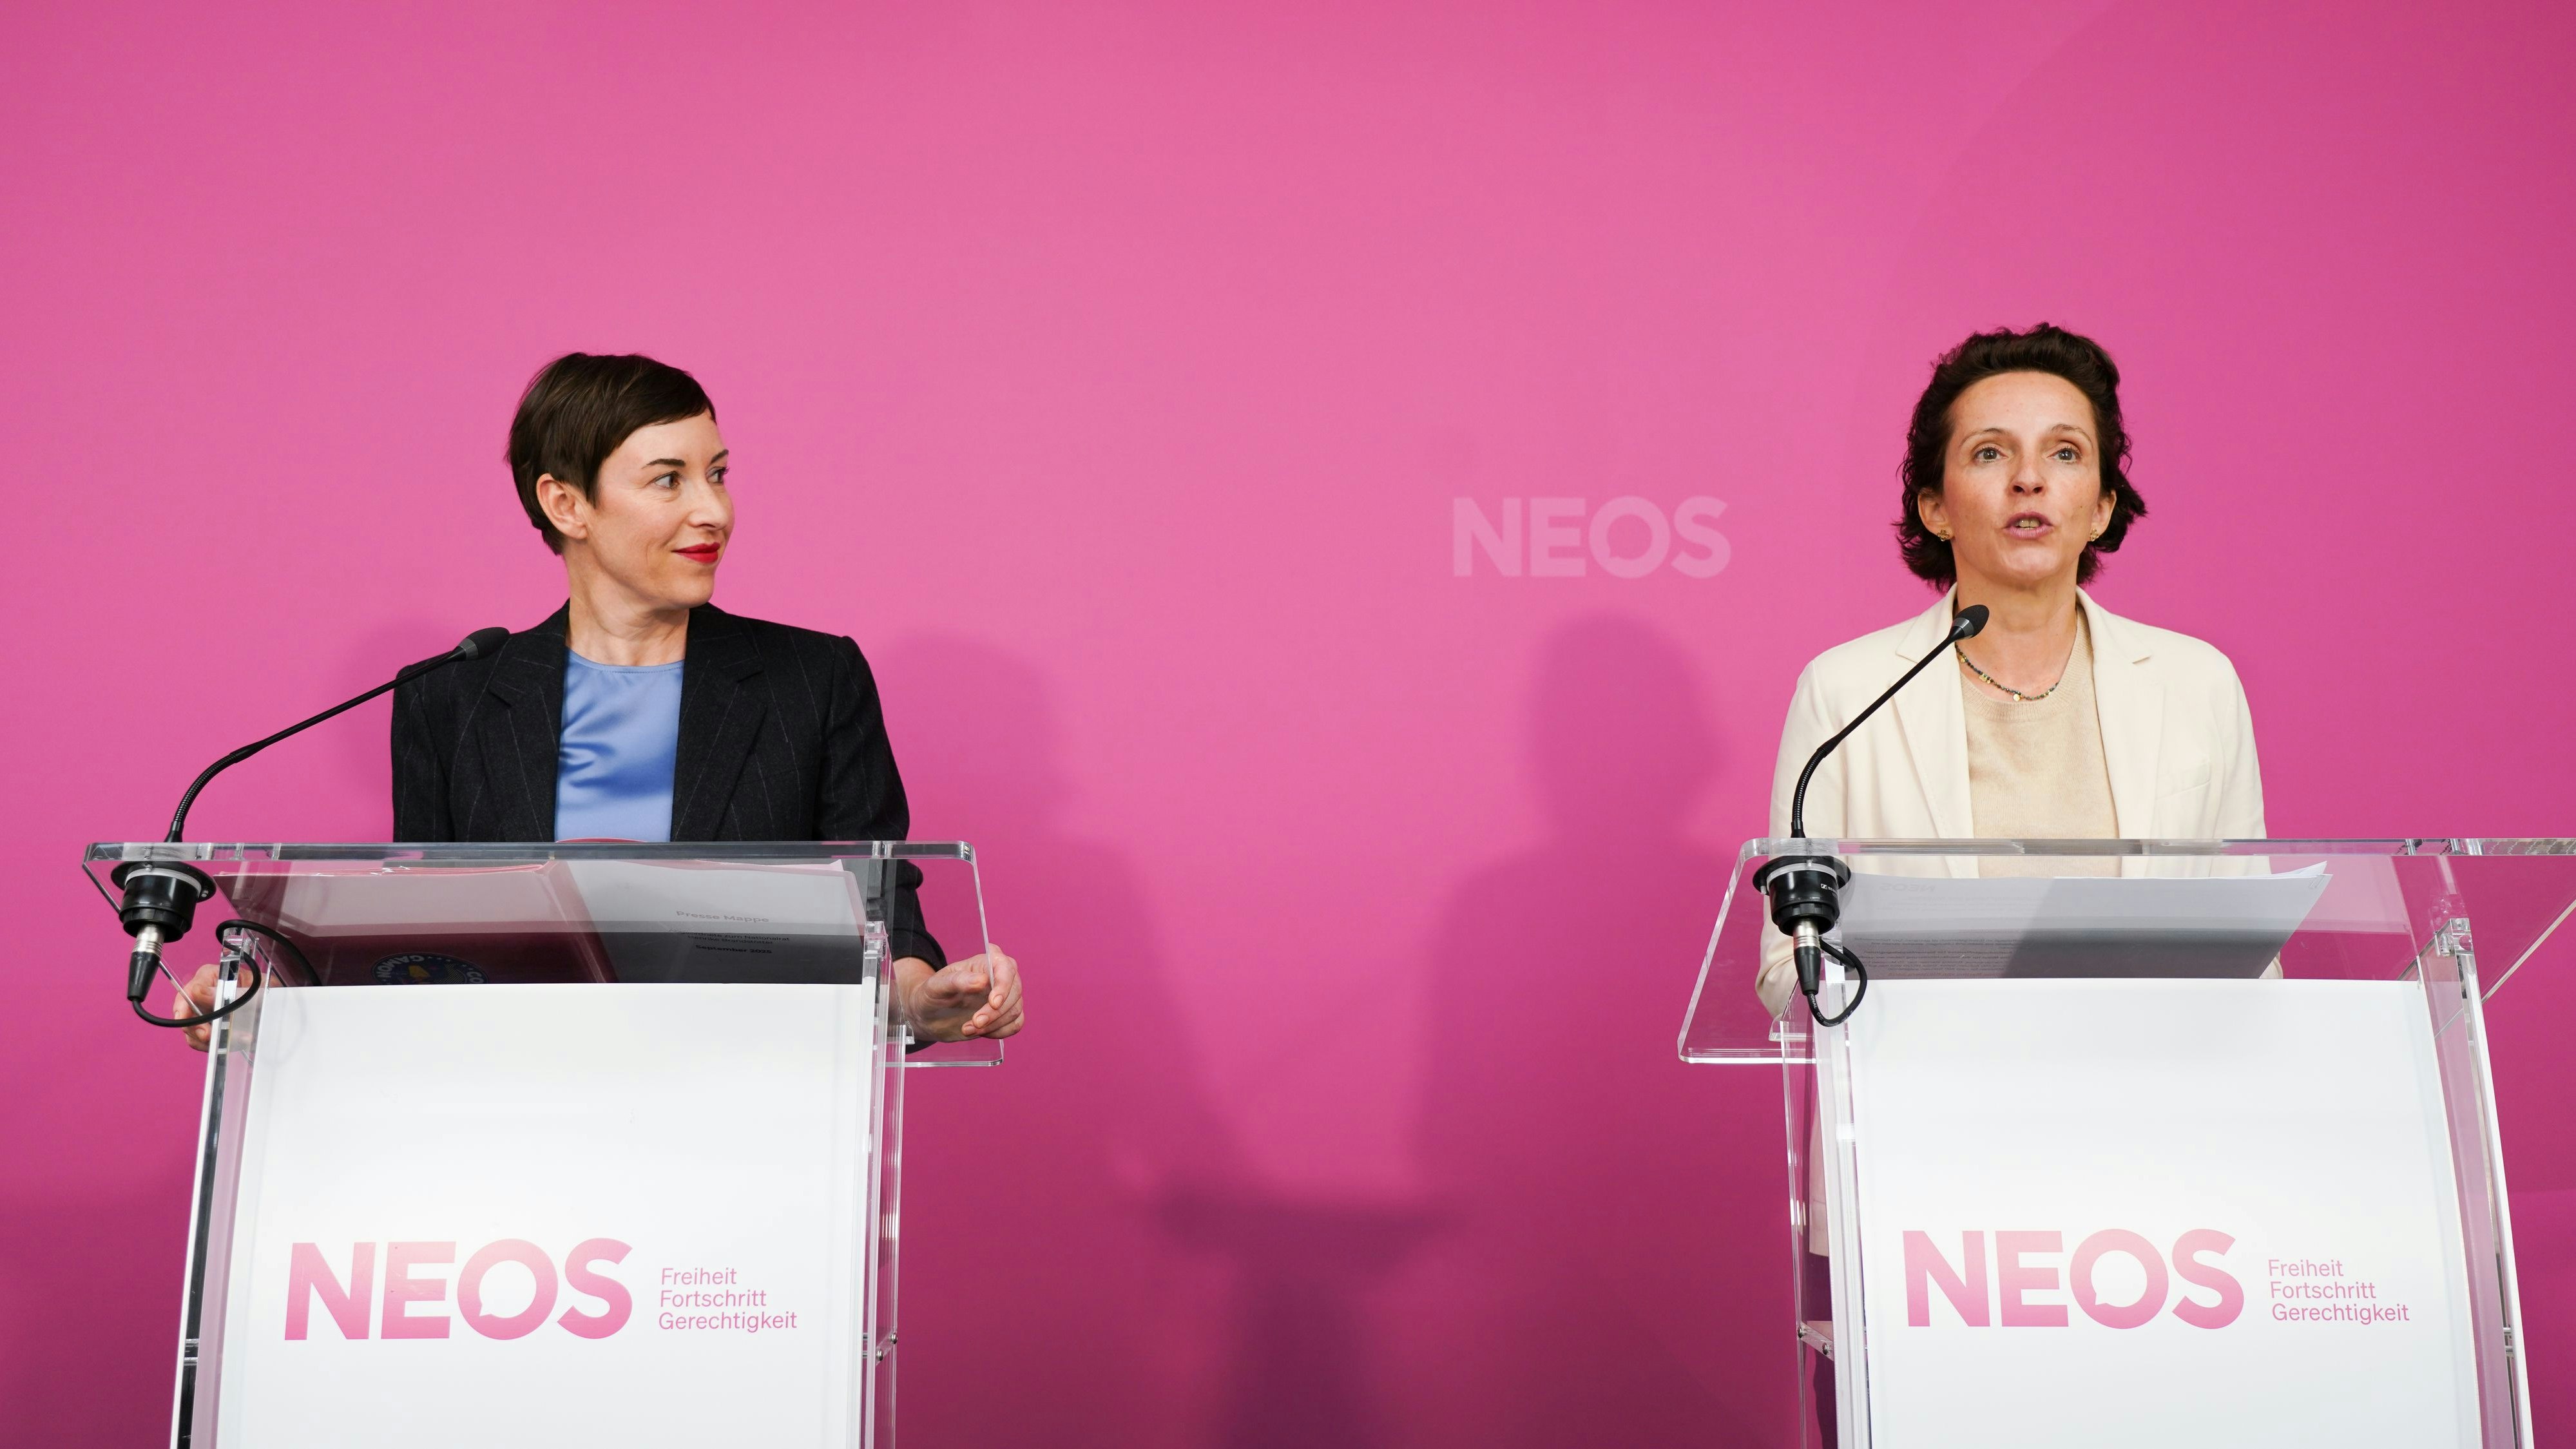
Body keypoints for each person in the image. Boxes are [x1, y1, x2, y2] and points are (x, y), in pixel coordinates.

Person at [178, 352, 1023, 1048]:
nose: (713, 509)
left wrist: (924, 1000)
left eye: (718, 474)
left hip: (754, 1117)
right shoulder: (452, 698)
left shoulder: (814, 678)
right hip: (519, 1123)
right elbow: (421, 952)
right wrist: (269, 997)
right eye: (668, 479)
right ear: (566, 503)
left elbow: (887, 919)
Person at [1759, 323, 2263, 1443]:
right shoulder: (1846, 690)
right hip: (1930, 1171)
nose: (2029, 477)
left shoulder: (2194, 685)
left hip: (2158, 1174)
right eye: (1989, 452)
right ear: (1934, 505)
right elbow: (1778, 971)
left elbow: (2252, 946)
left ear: (2100, 500)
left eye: (2065, 453)